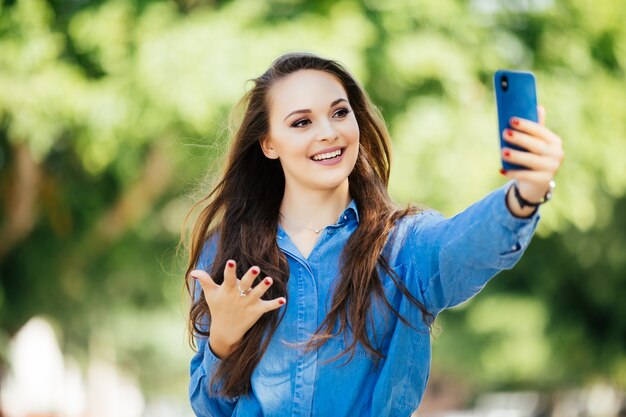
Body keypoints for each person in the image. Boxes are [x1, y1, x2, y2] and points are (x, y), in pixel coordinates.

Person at [184, 52, 564, 417]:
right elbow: (210, 408)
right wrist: (224, 340)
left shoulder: (402, 245)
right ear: (268, 143)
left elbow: (466, 246)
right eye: (302, 122)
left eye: (339, 112)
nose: (329, 133)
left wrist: (526, 195)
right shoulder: (228, 254)